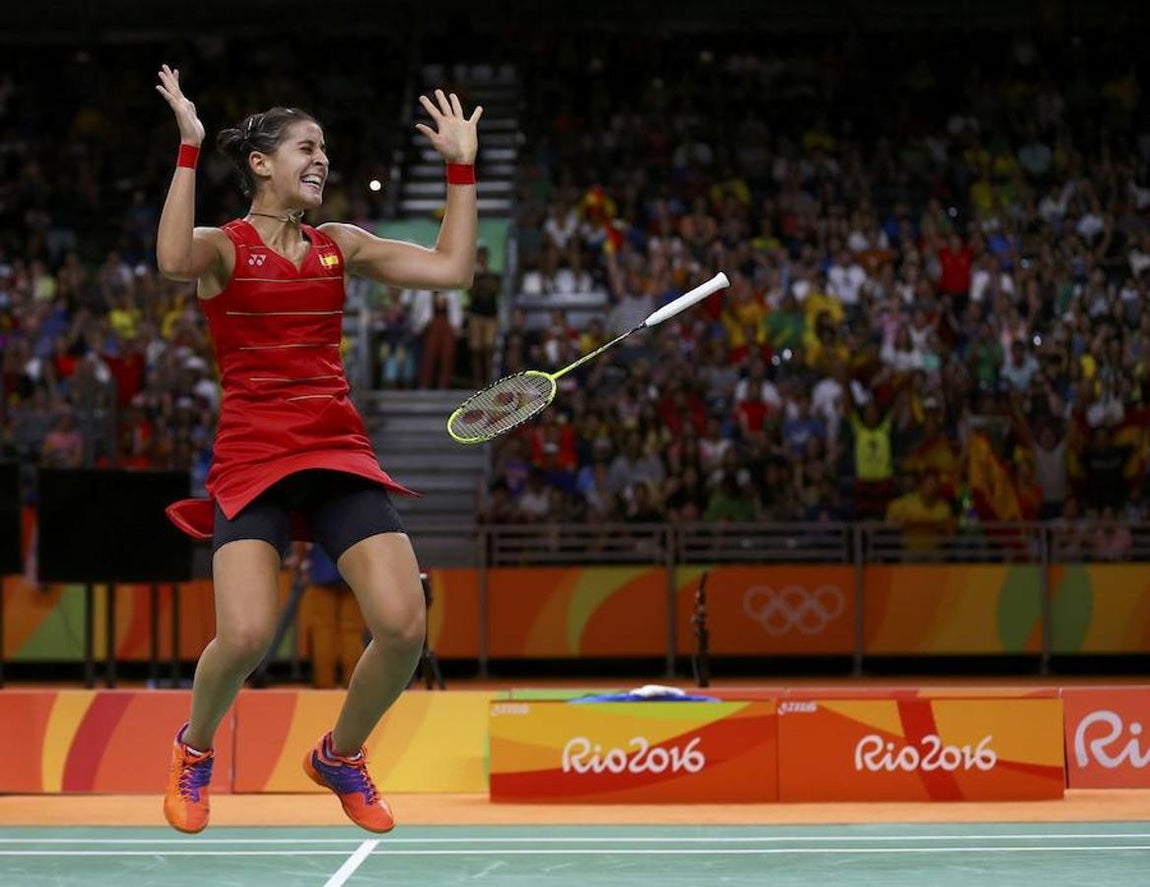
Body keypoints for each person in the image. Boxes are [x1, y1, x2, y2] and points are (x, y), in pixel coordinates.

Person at [153, 65, 481, 835]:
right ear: (261, 163)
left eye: (324, 148)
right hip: (254, 456)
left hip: (334, 447)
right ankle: (194, 749)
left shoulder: (339, 245)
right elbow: (172, 259)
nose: (321, 160)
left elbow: (452, 269)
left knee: (403, 624)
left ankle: (341, 753)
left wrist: (460, 167)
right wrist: (190, 148)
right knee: (243, 636)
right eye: (306, 147)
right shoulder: (224, 250)